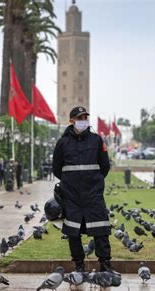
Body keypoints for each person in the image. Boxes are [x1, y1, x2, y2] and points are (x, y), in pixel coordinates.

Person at [52, 106, 115, 273]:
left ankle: (105, 265)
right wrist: (70, 183)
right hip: (71, 195)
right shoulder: (62, 142)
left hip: (93, 193)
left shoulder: (97, 140)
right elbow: (57, 168)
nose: (83, 121)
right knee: (73, 232)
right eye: (80, 118)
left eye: (85, 117)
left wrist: (94, 182)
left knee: (101, 230)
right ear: (72, 120)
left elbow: (105, 167)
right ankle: (79, 265)